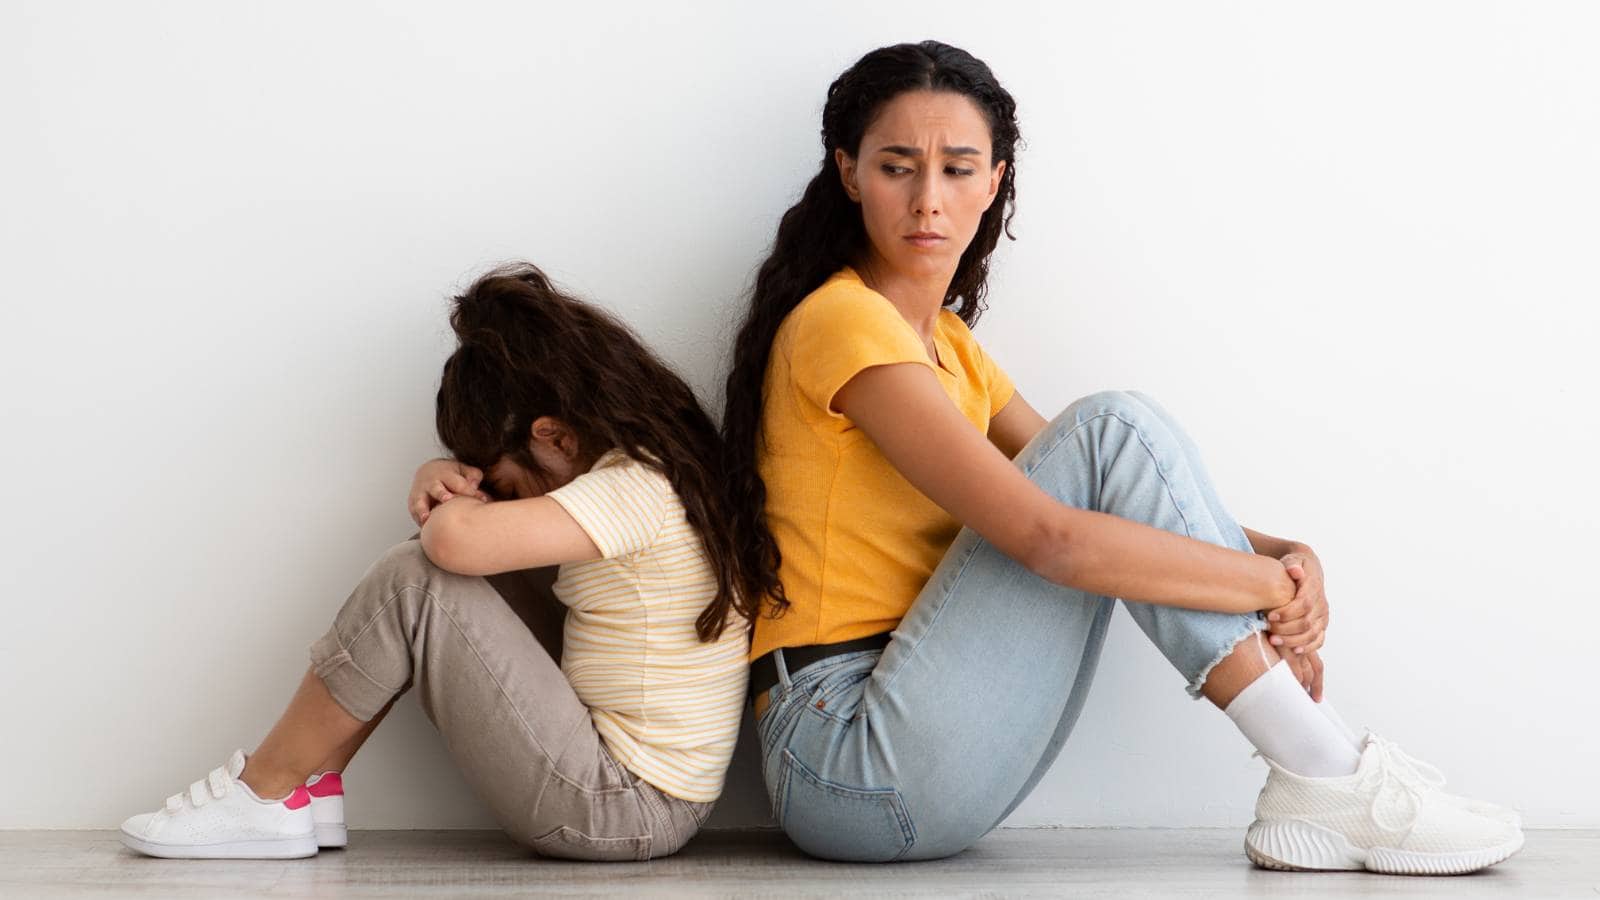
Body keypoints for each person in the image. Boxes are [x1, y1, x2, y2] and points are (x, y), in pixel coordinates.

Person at [719, 40, 1522, 874]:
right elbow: (1051, 539)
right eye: (897, 167)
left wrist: (1284, 555)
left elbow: (1128, 496)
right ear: (849, 173)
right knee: (1112, 427)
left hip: (920, 740)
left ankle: (1326, 772)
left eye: (958, 169)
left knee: (1113, 441)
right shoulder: (843, 323)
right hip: (845, 756)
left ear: (994, 183)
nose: (928, 200)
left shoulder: (949, 345)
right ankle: (1328, 772)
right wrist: (1261, 589)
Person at [119, 263, 756, 860]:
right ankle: (310, 789)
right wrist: (446, 488)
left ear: (554, 437)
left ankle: (266, 788)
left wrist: (442, 492)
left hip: (622, 806)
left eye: (500, 483)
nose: (494, 494)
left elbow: (451, 543)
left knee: (414, 579)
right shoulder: (649, 468)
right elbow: (465, 545)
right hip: (629, 791)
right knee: (441, 570)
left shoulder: (631, 489)